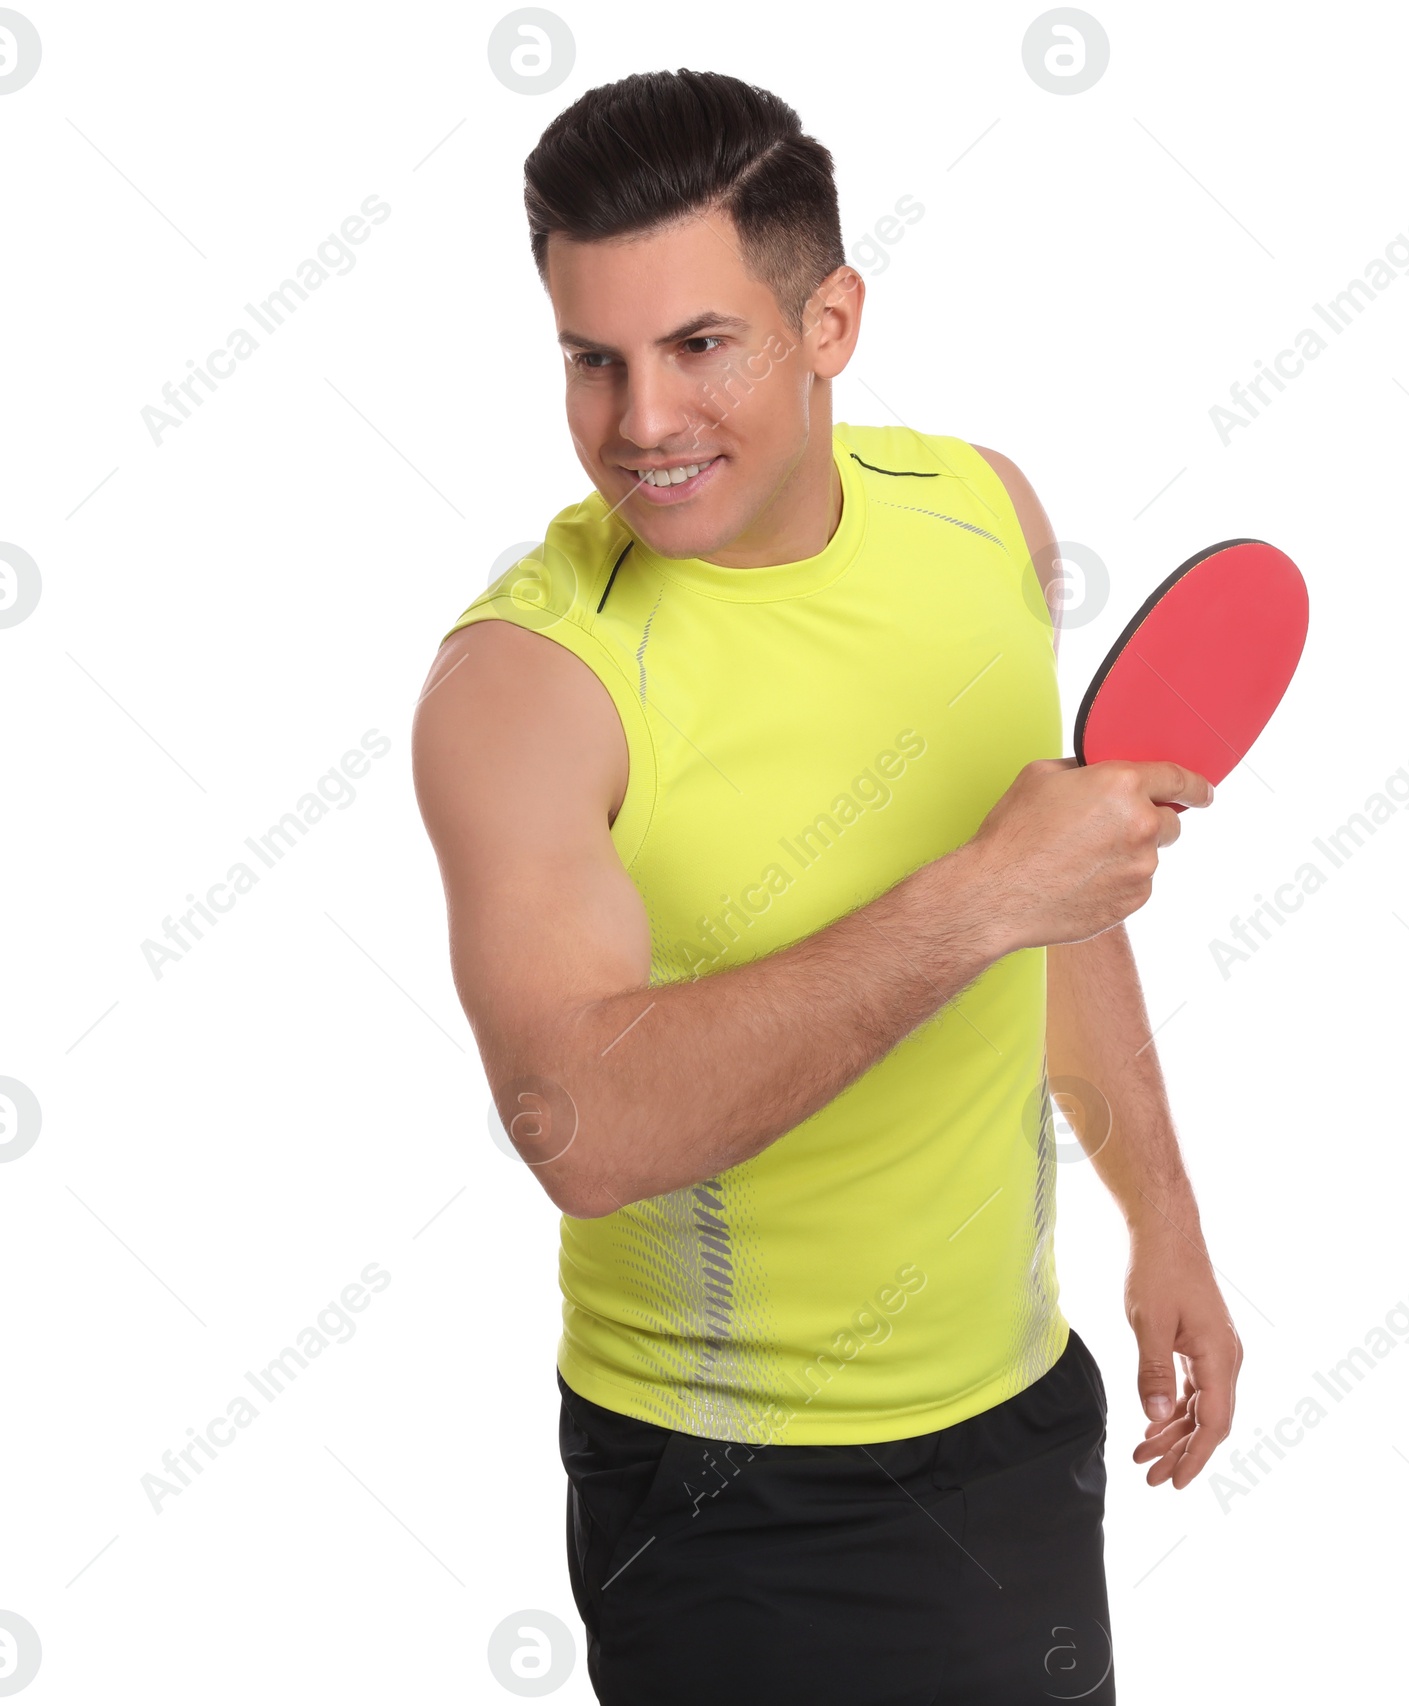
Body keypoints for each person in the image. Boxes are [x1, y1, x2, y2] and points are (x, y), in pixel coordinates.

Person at [412, 66, 1240, 1706]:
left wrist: (1169, 1222)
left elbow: (1054, 911)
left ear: (831, 320)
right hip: (734, 1490)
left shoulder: (978, 513)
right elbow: (585, 1128)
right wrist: (982, 895)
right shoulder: (528, 683)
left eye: (699, 345)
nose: (640, 420)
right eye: (594, 358)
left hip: (1015, 1415)